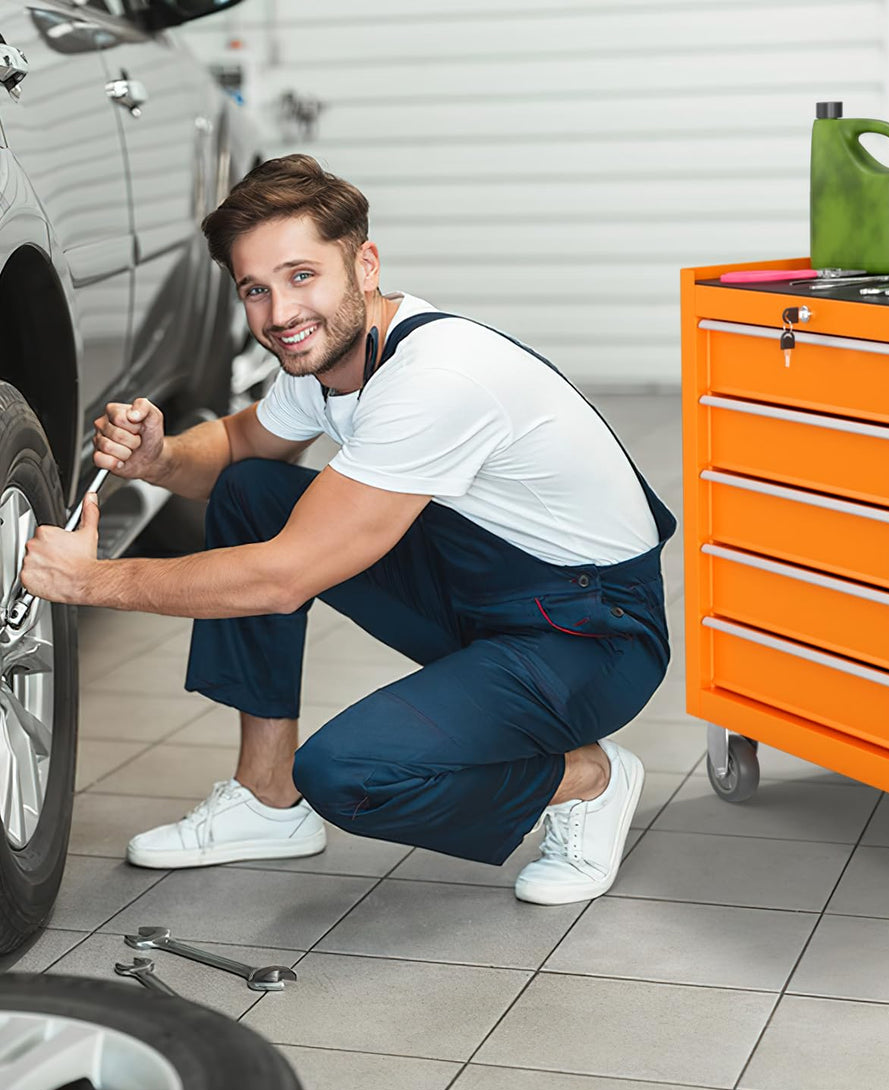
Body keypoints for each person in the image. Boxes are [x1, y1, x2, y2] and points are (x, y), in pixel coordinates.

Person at [20, 155, 674, 906]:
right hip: (486, 590)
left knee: (348, 774)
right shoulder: (326, 359)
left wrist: (90, 580)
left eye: (302, 277)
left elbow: (280, 577)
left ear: (364, 265)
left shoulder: (435, 377)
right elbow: (236, 448)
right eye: (256, 290)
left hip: (591, 635)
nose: (279, 314)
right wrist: (160, 458)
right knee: (251, 490)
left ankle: (587, 779)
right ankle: (266, 800)